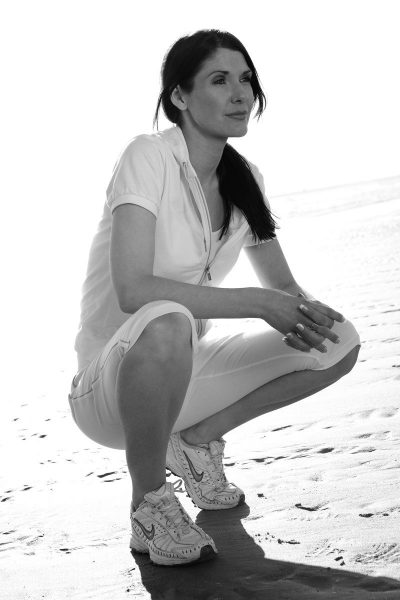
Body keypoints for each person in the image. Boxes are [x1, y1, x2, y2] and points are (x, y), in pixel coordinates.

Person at [68, 29, 361, 567]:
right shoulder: (148, 156)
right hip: (108, 388)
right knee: (166, 319)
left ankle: (198, 441)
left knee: (338, 341)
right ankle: (150, 504)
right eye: (220, 80)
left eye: (246, 80)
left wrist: (312, 316)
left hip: (185, 377)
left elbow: (283, 289)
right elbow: (134, 290)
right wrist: (255, 303)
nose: (241, 94)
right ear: (180, 97)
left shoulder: (246, 178)